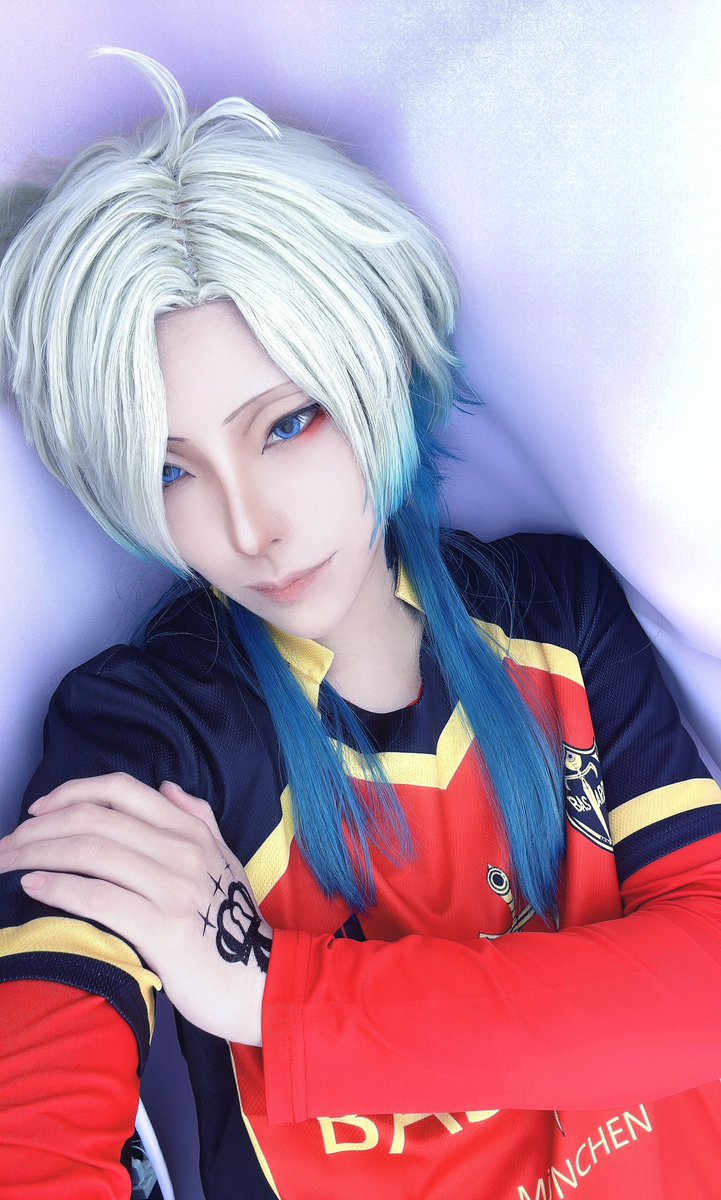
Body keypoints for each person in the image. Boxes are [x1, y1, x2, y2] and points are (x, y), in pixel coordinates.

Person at [1, 46, 721, 1200]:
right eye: (172, 471)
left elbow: (706, 992)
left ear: (376, 360)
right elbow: (32, 1146)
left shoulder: (559, 616)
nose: (251, 528)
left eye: (287, 424)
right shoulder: (149, 735)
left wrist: (270, 998)